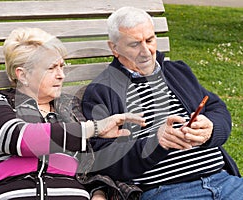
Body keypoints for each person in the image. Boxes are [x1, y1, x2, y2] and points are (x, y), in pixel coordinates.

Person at [82, 6, 243, 199]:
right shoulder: (102, 91)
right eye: (134, 44)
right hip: (167, 191)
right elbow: (102, 158)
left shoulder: (177, 72)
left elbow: (217, 109)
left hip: (224, 181)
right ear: (114, 48)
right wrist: (154, 144)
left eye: (150, 40)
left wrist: (211, 129)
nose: (146, 51)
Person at [0, 27, 146, 200]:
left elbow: (93, 167)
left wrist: (99, 192)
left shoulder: (71, 111)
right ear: (22, 75)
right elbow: (21, 139)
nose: (61, 75)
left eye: (62, 66)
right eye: (51, 68)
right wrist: (94, 128)